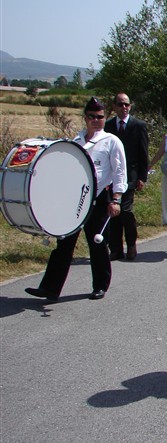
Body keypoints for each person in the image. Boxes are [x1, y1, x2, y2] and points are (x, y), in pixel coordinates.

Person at [25, 98, 127, 301]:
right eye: (92, 117)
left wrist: (116, 199)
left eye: (100, 117)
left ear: (105, 118)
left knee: (97, 244)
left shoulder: (111, 141)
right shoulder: (75, 142)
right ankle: (50, 288)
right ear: (85, 118)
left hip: (99, 199)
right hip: (74, 201)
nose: (96, 120)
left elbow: (119, 172)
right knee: (63, 244)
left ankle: (100, 286)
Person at [104, 93, 149, 261]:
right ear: (114, 106)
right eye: (120, 104)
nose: (124, 107)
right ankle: (115, 248)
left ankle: (131, 245)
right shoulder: (108, 126)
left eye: (126, 104)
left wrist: (142, 177)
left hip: (130, 175)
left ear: (130, 106)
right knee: (113, 212)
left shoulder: (138, 125)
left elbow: (143, 153)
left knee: (125, 211)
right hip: (111, 176)